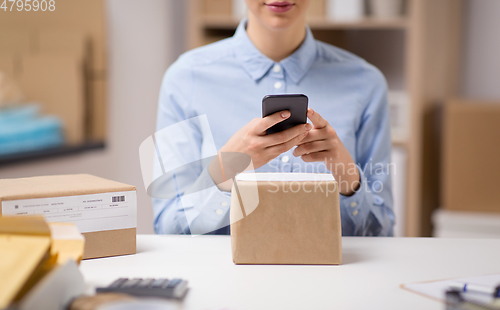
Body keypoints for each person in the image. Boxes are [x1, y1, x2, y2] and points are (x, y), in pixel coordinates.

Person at [153, 0, 394, 236]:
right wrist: (225, 171)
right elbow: (167, 229)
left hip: (331, 274)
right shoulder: (185, 79)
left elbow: (382, 233)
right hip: (221, 275)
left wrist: (347, 176)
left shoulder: (366, 83)